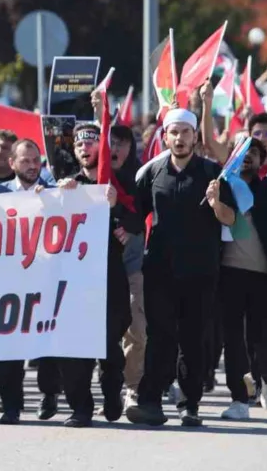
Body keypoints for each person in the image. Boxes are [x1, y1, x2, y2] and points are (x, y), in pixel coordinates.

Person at [126, 108, 236, 428]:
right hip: (160, 269)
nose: (179, 138)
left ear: (194, 136)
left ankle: (190, 404)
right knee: (160, 336)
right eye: (173, 133)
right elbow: (136, 215)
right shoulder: (152, 173)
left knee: (192, 338)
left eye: (185, 132)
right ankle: (150, 401)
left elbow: (231, 219)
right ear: (165, 138)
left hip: (200, 271)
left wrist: (216, 204)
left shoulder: (212, 173)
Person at [56, 119, 133, 428]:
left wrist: (121, 214)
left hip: (110, 278)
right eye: (79, 144)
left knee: (108, 344)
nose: (84, 148)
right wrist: (59, 196)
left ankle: (112, 390)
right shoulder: (66, 185)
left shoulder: (122, 183)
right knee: (75, 345)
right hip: (75, 280)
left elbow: (141, 218)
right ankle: (81, 409)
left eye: (91, 142)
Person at [0, 138, 61, 424]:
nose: (32, 166)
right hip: (10, 281)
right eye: (26, 161)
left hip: (46, 279)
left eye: (36, 161)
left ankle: (50, 394)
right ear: (12, 164)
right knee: (9, 346)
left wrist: (58, 198)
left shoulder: (53, 192)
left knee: (47, 345)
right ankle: (10, 405)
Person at [217, 139, 267, 421]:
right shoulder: (223, 187)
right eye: (242, 153)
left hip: (265, 276)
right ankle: (238, 399)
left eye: (254, 153)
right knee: (233, 340)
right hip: (229, 273)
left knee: (263, 338)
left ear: (263, 159)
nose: (247, 158)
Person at [107, 124, 146, 409]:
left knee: (135, 329)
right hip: (98, 272)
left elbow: (150, 208)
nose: (114, 149)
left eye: (121, 143)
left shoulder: (141, 178)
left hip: (131, 267)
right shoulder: (92, 179)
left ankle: (133, 388)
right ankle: (109, 389)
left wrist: (131, 224)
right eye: (109, 143)